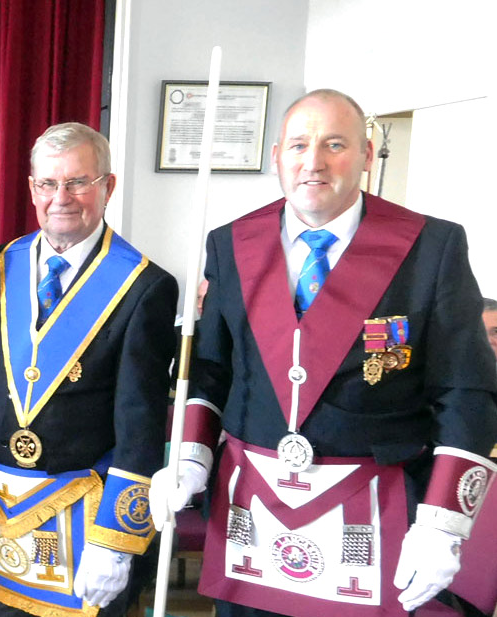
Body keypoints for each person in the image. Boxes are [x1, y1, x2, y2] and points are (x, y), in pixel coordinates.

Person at [149, 89, 497, 616]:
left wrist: (444, 521)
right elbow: (210, 368)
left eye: (335, 144)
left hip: (372, 508)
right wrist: (189, 455)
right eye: (299, 145)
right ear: (276, 158)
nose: (314, 161)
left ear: (365, 152)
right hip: (253, 509)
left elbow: (467, 392)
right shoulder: (230, 243)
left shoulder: (431, 247)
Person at [0, 122, 176, 616]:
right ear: (32, 189)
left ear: (108, 186)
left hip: (86, 524)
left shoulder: (143, 286)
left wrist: (117, 539)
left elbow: (140, 424)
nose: (61, 197)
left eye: (78, 182)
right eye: (48, 183)